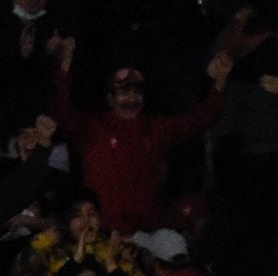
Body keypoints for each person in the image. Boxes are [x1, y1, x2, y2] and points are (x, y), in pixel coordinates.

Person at [51, 44, 233, 232]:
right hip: (104, 232)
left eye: (136, 93)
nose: (131, 99)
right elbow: (62, 113)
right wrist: (64, 67)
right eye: (123, 92)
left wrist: (220, 81)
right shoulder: (92, 127)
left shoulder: (157, 129)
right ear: (110, 98)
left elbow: (201, 119)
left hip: (148, 231)